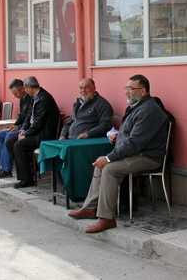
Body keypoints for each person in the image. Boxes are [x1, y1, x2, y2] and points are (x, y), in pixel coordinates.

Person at [67, 75, 169, 233]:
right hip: (136, 152)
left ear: (143, 91)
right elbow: (132, 133)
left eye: (131, 89)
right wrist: (119, 135)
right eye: (126, 88)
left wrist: (108, 158)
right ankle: (91, 208)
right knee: (99, 165)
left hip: (148, 157)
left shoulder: (148, 110)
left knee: (108, 168)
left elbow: (135, 142)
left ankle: (107, 218)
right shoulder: (136, 106)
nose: (127, 92)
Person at [6, 76, 60, 188]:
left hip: (43, 134)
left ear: (30, 87)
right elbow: (28, 117)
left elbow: (38, 123)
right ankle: (31, 167)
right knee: (10, 142)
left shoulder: (44, 98)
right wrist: (23, 130)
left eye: (25, 88)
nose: (24, 91)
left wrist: (25, 134)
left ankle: (27, 178)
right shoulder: (34, 98)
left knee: (19, 146)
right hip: (34, 132)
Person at [0, 79, 31, 179]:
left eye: (16, 93)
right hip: (21, 126)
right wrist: (14, 125)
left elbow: (29, 120)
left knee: (9, 136)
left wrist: (18, 128)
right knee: (2, 133)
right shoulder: (22, 100)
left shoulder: (31, 99)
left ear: (23, 89)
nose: (15, 96)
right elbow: (21, 117)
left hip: (27, 129)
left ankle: (6, 169)